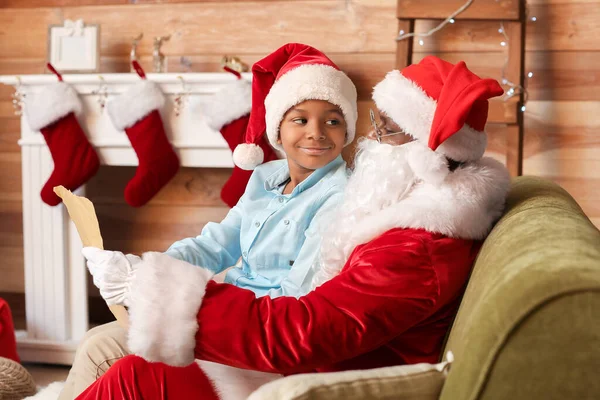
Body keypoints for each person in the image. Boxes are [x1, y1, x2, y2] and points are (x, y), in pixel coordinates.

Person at [77, 56, 511, 400]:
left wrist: (154, 291)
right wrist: (148, 272)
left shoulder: (415, 246)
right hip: (303, 354)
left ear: (428, 155)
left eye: (387, 129)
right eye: (377, 124)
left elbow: (303, 329)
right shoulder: (393, 212)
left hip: (327, 380)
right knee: (114, 353)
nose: (372, 140)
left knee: (136, 373)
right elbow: (221, 241)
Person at [57, 43, 358, 400]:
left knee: (114, 358)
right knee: (96, 341)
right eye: (301, 119)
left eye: (333, 121)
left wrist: (187, 304)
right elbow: (216, 243)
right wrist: (149, 269)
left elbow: (297, 296)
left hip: (255, 335)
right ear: (278, 128)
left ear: (347, 130)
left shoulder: (340, 196)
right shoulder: (264, 178)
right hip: (225, 312)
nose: (317, 132)